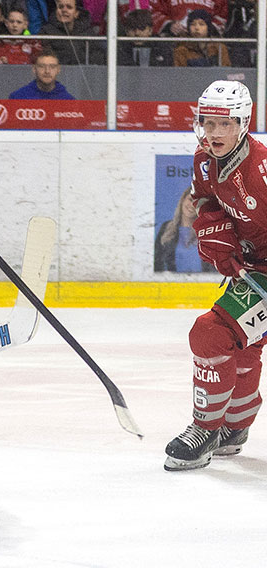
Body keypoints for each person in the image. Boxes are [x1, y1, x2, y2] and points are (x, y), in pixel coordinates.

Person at [163, 80, 266, 471]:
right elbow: (206, 199)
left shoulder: (261, 169)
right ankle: (231, 427)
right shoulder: (204, 160)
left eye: (224, 124)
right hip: (254, 272)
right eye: (208, 122)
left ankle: (208, 428)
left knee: (210, 332)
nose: (214, 133)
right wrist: (213, 229)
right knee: (235, 341)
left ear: (243, 123)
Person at [37, 0, 104, 65]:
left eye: (69, 7)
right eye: (60, 7)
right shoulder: (46, 33)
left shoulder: (88, 33)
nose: (64, 10)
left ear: (76, 13)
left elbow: (97, 59)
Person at [8, 49, 75, 99]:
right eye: (42, 66)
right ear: (34, 69)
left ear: (58, 69)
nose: (47, 71)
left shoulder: (68, 100)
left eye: (52, 67)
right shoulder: (18, 97)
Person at [152, 0, 227, 37]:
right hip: (172, 40)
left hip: (207, 42)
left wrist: (209, 27)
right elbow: (154, 11)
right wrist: (169, 25)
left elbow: (222, 15)